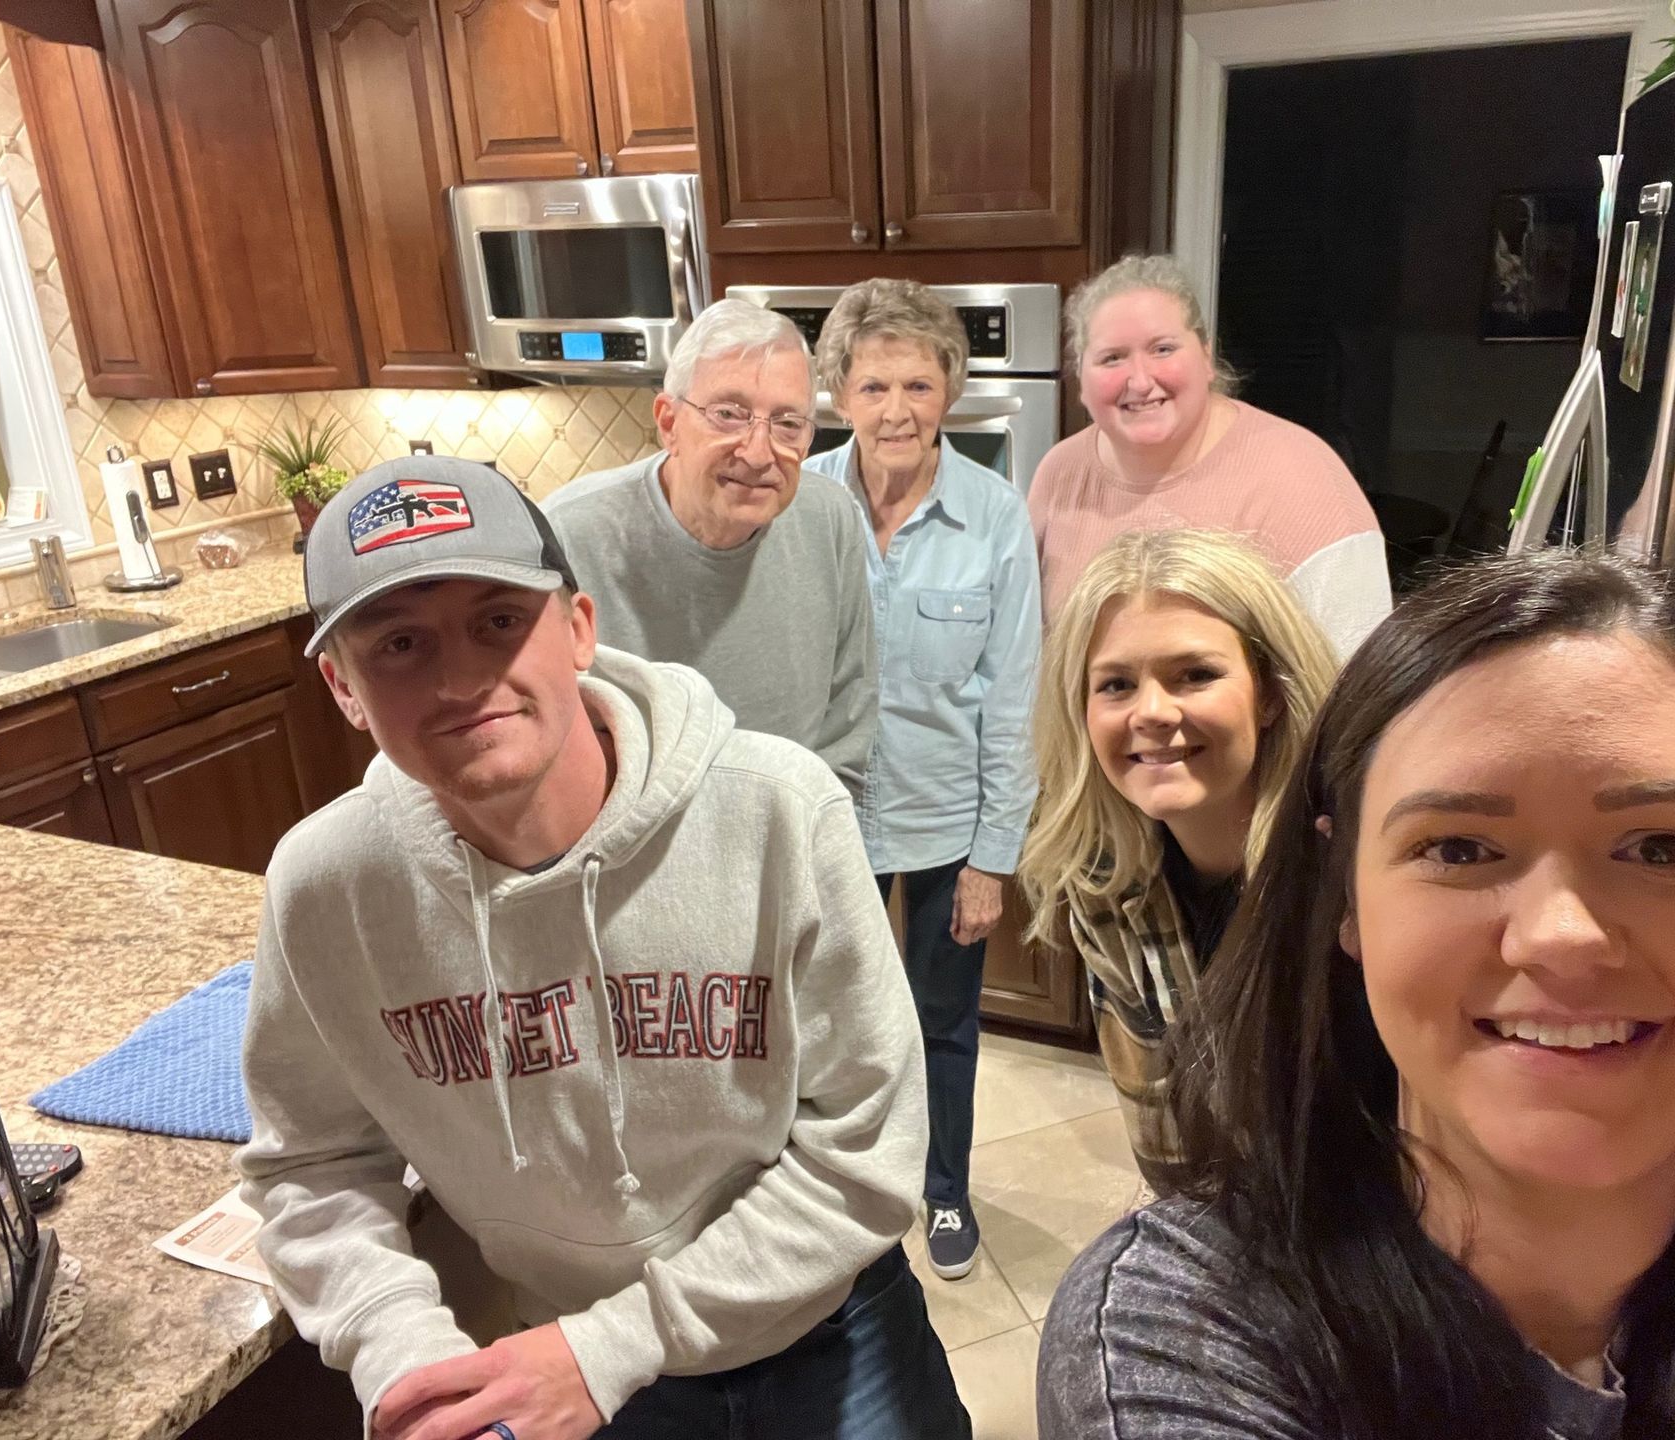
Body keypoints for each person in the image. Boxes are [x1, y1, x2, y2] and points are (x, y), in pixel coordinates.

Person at [1039, 550, 1675, 1438]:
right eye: (1461, 850)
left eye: (1663, 848)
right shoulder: (1183, 1336)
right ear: (1342, 901)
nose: (1562, 935)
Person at [238, 456, 968, 1440]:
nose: (460, 680)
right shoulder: (325, 891)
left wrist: (621, 1341)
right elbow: (314, 1163)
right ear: (342, 687)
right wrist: (398, 1343)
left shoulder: (778, 816)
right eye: (400, 643)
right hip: (572, 1361)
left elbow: (868, 1152)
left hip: (829, 1332)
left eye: (499, 620)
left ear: (577, 627)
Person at [803, 279, 1042, 1282]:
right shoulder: (800, 503)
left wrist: (995, 858)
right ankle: (845, 1197)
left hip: (949, 825)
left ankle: (944, 1191)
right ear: (839, 395)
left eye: (917, 382)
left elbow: (1014, 696)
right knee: (831, 1026)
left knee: (942, 1023)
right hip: (824, 823)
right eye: (872, 385)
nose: (896, 407)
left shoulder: (994, 516)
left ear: (949, 388)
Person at [1016, 528, 1336, 1187]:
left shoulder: (1348, 873)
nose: (1152, 712)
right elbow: (1170, 1152)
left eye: (1195, 675)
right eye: (1116, 685)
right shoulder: (1101, 889)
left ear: (1270, 693)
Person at [543, 299, 877, 798]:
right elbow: (550, 735)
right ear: (669, 422)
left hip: (790, 840)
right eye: (728, 414)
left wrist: (817, 840)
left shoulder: (831, 519)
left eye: (787, 423)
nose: (759, 452)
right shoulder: (566, 536)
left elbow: (849, 720)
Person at [1027, 253, 1391, 661]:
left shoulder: (1304, 479)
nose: (1141, 380)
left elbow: (1358, 687)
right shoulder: (1059, 475)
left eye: (1162, 349)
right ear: (1081, 382)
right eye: (1112, 358)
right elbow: (1031, 656)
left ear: (1205, 357)